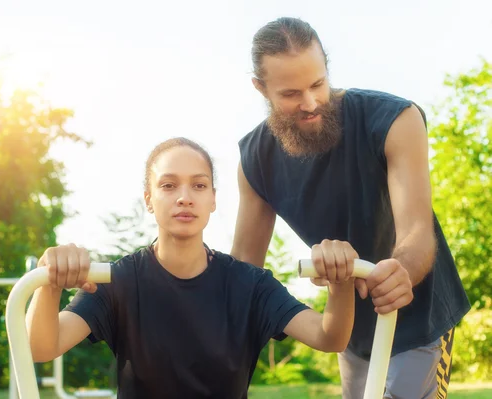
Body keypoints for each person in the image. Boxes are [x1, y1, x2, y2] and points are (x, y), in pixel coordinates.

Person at [231, 17, 471, 399]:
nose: (310, 103)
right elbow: (243, 270)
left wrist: (401, 270)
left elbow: (417, 232)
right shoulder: (255, 160)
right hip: (350, 327)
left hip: (418, 311)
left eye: (317, 84)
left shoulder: (394, 119)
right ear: (261, 88)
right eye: (291, 93)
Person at [26, 137, 357, 398]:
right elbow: (41, 347)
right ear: (148, 199)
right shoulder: (121, 280)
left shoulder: (249, 285)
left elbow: (329, 337)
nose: (184, 197)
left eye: (198, 185)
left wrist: (340, 282)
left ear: (213, 199)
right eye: (168, 185)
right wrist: (49, 284)